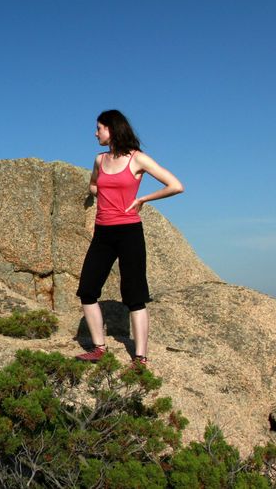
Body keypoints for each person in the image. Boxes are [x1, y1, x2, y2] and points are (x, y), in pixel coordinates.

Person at [76, 109, 184, 366]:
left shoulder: (137, 159)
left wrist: (143, 199)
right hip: (103, 232)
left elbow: (175, 185)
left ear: (111, 129)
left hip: (129, 232)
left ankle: (140, 357)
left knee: (135, 295)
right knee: (88, 290)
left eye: (99, 128)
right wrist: (99, 193)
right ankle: (99, 348)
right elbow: (93, 184)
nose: (95, 133)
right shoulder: (99, 160)